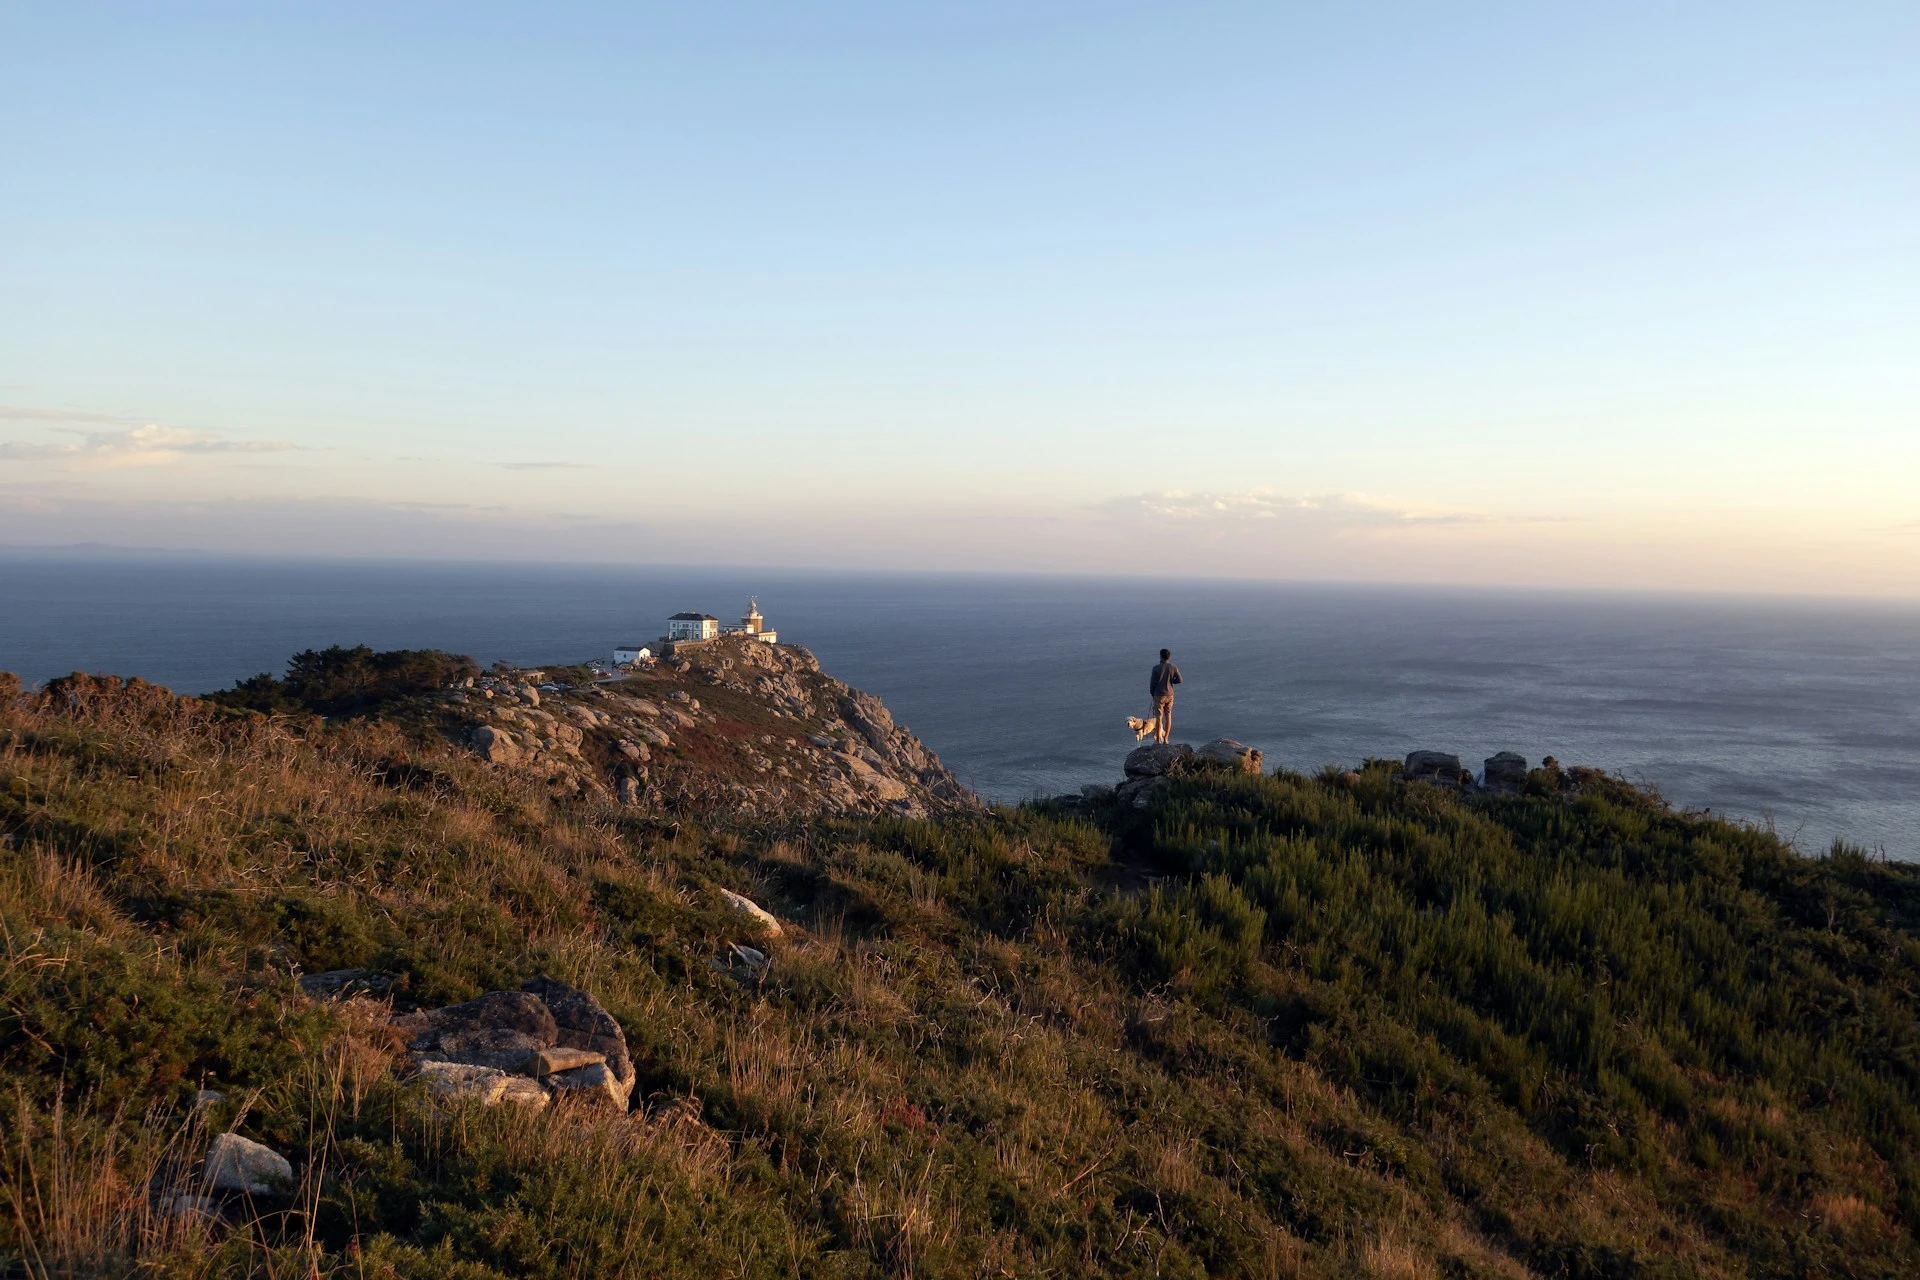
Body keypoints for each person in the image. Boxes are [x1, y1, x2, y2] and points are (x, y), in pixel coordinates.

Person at [1149, 648, 1182, 744]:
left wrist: (1152, 694)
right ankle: (1166, 739)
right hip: (1170, 694)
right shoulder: (1173, 667)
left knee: (1159, 717)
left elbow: (1152, 684)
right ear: (1169, 657)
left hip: (1159, 695)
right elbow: (1180, 680)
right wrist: (1171, 681)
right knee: (1168, 716)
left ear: (1161, 656)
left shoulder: (1156, 668)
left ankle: (1158, 739)